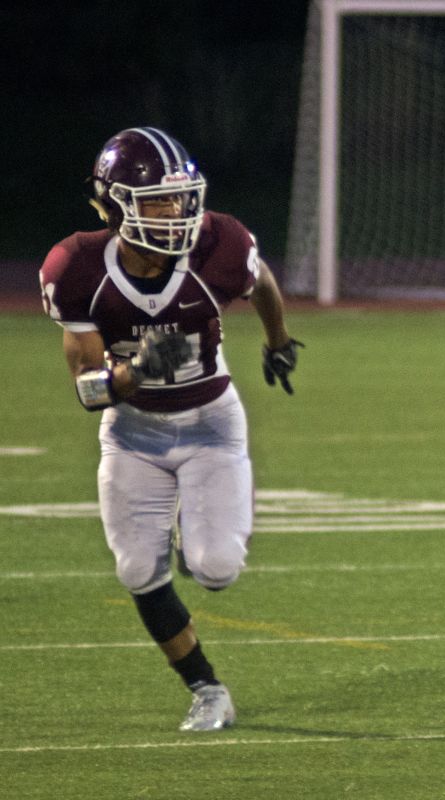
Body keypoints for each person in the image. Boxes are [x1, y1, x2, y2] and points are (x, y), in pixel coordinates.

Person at [38, 127, 303, 732]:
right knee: (137, 570)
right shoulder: (77, 267)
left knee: (216, 569)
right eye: (157, 200)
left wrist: (278, 341)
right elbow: (87, 388)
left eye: (182, 198)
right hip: (132, 433)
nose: (177, 212)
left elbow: (258, 282)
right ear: (114, 205)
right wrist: (135, 373)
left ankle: (197, 531)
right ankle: (208, 689)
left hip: (211, 425)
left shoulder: (221, 245)